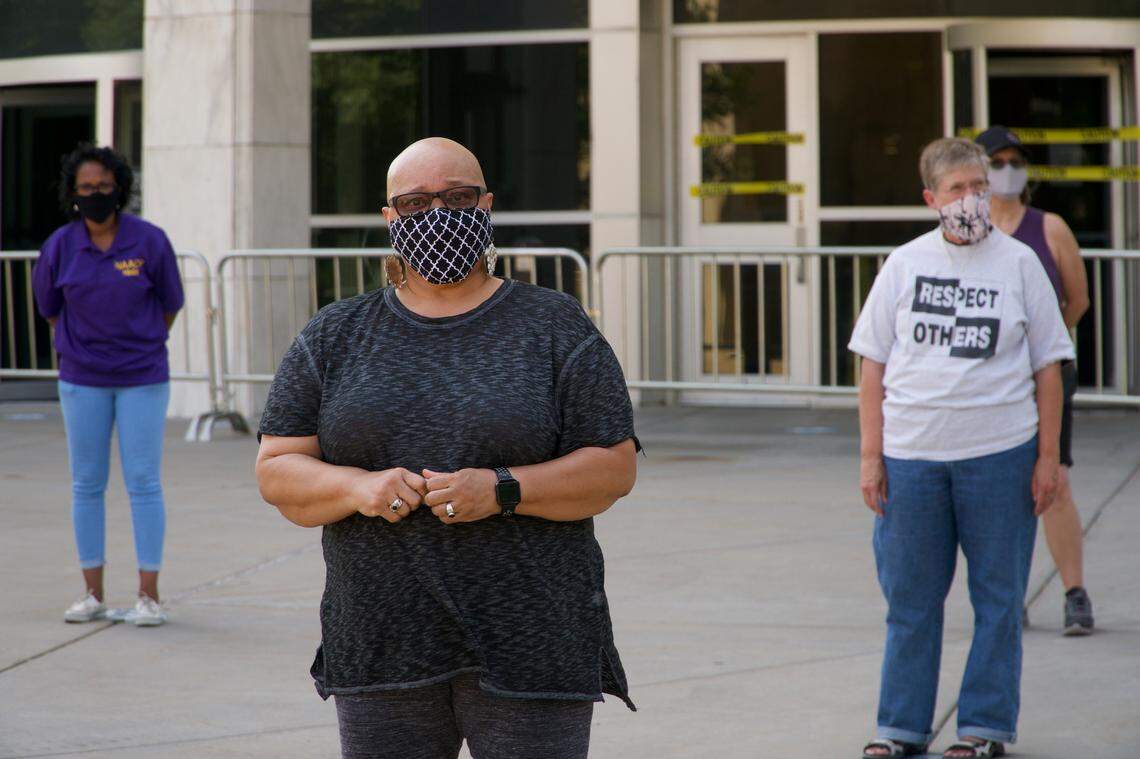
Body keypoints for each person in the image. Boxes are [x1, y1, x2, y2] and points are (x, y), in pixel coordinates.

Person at [255, 137, 639, 759]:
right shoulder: (335, 333)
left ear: (486, 205)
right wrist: (361, 488)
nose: (437, 215)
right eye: (414, 203)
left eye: (457, 198)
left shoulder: (553, 325)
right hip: (383, 645)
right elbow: (278, 471)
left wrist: (504, 489)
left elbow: (613, 469)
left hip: (533, 644)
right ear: (389, 218)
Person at [849, 138, 1073, 759]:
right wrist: (872, 457)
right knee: (911, 602)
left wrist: (1047, 457)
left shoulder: (1020, 263)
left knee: (999, 601)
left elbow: (1049, 365)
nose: (974, 198)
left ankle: (984, 727)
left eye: (980, 185)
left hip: (1000, 455)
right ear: (931, 199)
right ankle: (900, 728)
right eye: (958, 189)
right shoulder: (903, 264)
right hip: (912, 458)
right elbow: (872, 364)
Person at [32, 144, 184, 627]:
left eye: (103, 186)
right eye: (85, 189)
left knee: (143, 483)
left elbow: (170, 302)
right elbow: (49, 308)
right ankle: (92, 594)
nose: (95, 195)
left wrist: (142, 342)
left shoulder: (150, 241)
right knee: (86, 483)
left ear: (120, 187)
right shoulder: (59, 246)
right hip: (82, 380)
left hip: (142, 378)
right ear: (71, 195)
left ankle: (149, 597)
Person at [975, 125, 1094, 636]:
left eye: (1013, 161)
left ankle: (1075, 593)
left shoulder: (1049, 227)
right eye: (995, 161)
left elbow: (1079, 298)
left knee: (1054, 478)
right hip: (987, 379)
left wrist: (1042, 345)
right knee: (997, 487)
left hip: (1044, 375)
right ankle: (1008, 596)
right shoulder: (971, 229)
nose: (1007, 170)